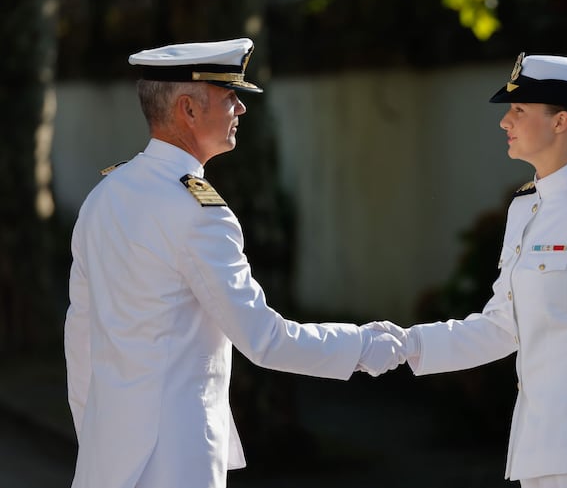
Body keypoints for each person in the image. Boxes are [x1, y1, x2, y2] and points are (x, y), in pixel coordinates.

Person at [63, 38, 406, 488]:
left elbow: (80, 338)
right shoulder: (198, 212)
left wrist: (98, 439)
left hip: (105, 460)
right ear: (188, 109)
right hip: (176, 461)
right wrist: (361, 347)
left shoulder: (103, 196)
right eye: (229, 96)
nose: (241, 109)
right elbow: (263, 339)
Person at [369, 53, 567, 488]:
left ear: (560, 122)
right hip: (539, 450)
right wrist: (406, 345)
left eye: (518, 109)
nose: (504, 122)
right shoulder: (526, 206)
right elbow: (502, 327)